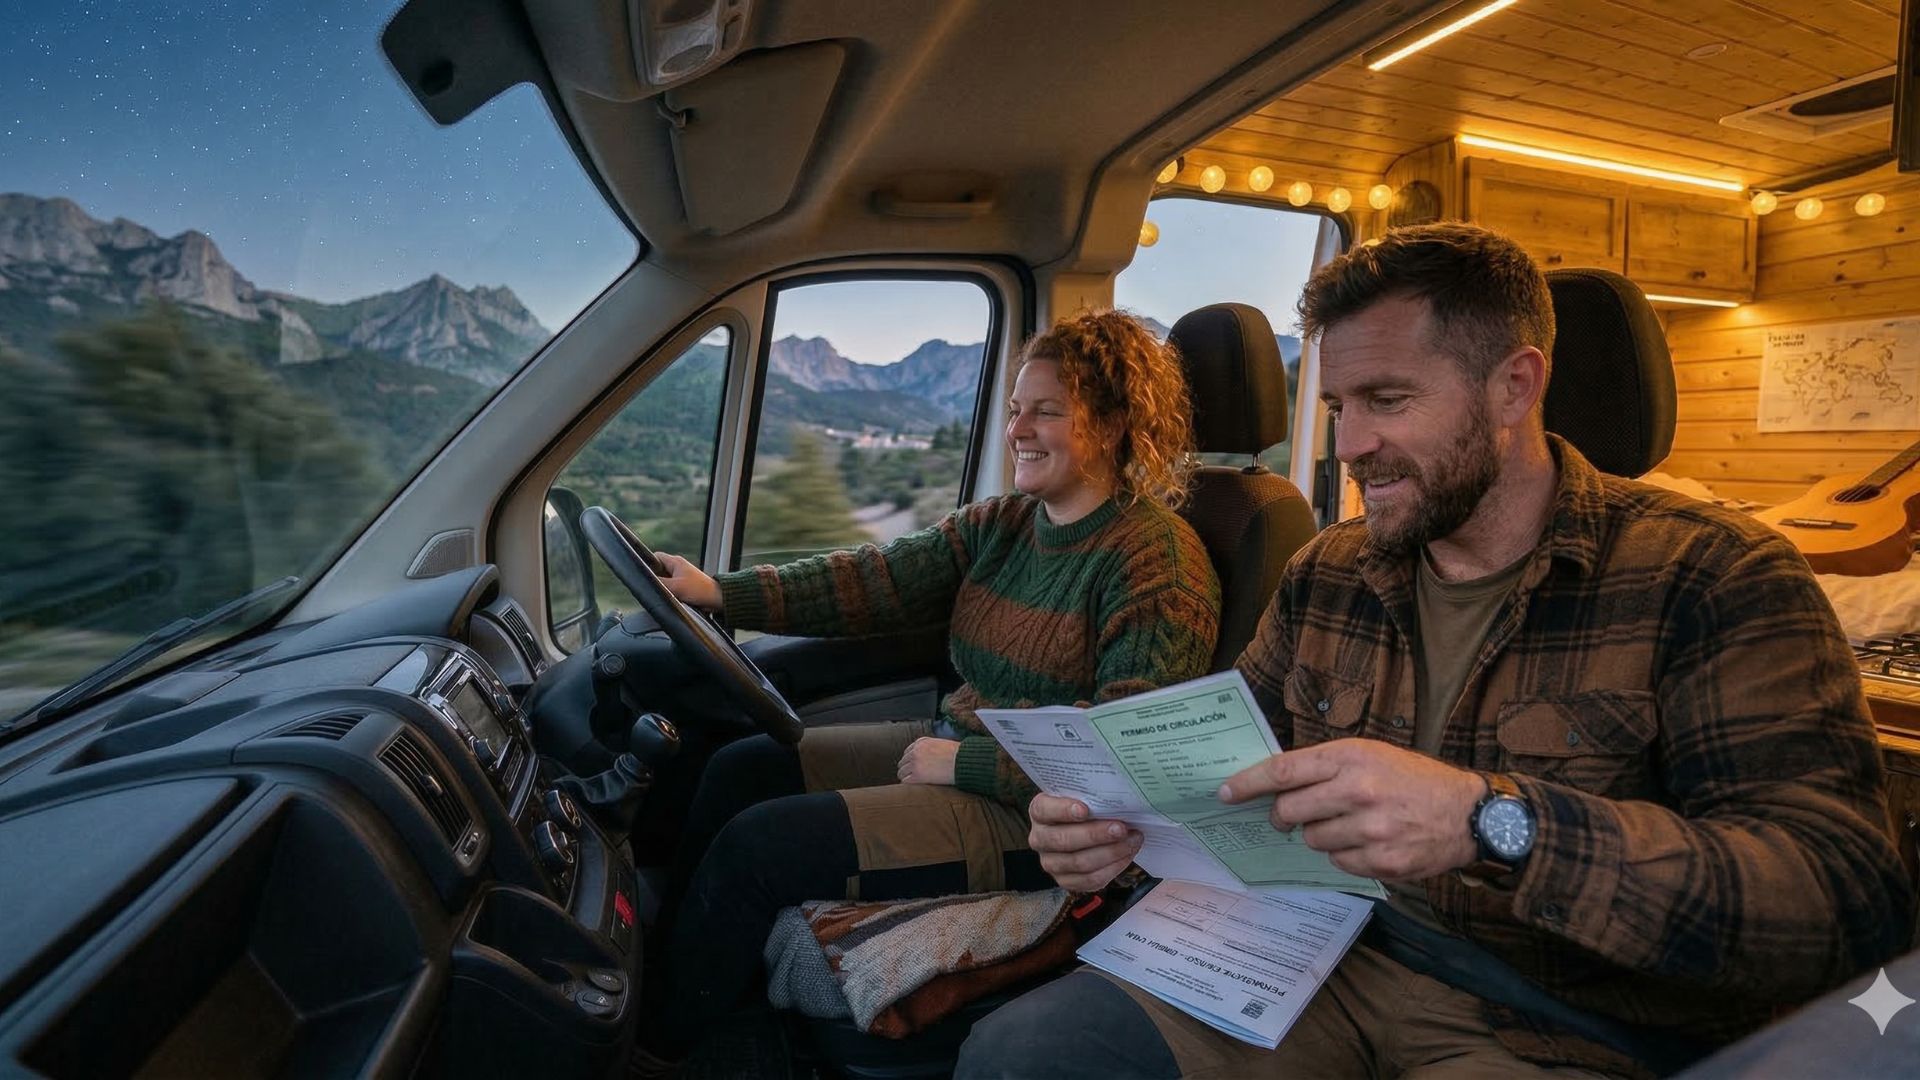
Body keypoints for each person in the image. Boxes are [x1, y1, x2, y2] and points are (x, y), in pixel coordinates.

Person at [958, 223, 1916, 1079]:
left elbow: (1843, 901)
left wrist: (1491, 822)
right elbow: (1230, 770)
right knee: (1025, 1051)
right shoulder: (1330, 570)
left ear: (1514, 386)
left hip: (1560, 1020)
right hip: (1322, 955)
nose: (1350, 445)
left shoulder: (1715, 576)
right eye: (1340, 406)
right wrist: (1116, 827)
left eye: (1387, 400)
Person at [637, 308, 1222, 1062]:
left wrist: (963, 764)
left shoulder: (1157, 563)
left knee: (758, 846)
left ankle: (663, 1049)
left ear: (1111, 425)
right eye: (1015, 409)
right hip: (955, 748)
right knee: (740, 768)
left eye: (1046, 412)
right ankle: (665, 980)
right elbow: (873, 579)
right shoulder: (1006, 523)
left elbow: (1123, 762)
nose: (1018, 429)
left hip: (1038, 819)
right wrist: (720, 591)